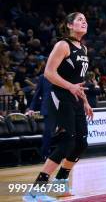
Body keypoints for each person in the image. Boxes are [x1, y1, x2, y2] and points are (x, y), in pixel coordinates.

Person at [24, 12, 93, 201]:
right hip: (60, 96)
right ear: (69, 25)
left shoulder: (83, 49)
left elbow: (78, 81)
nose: (84, 22)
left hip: (75, 98)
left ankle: (61, 181)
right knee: (67, 142)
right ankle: (34, 192)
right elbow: (48, 73)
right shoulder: (63, 45)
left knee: (81, 143)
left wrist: (85, 101)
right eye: (80, 19)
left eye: (85, 20)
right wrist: (70, 87)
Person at [26, 73, 54, 159]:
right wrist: (31, 108)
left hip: (63, 108)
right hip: (48, 108)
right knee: (48, 132)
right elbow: (37, 93)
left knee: (68, 131)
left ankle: (67, 154)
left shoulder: (63, 74)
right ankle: (45, 154)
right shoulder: (43, 77)